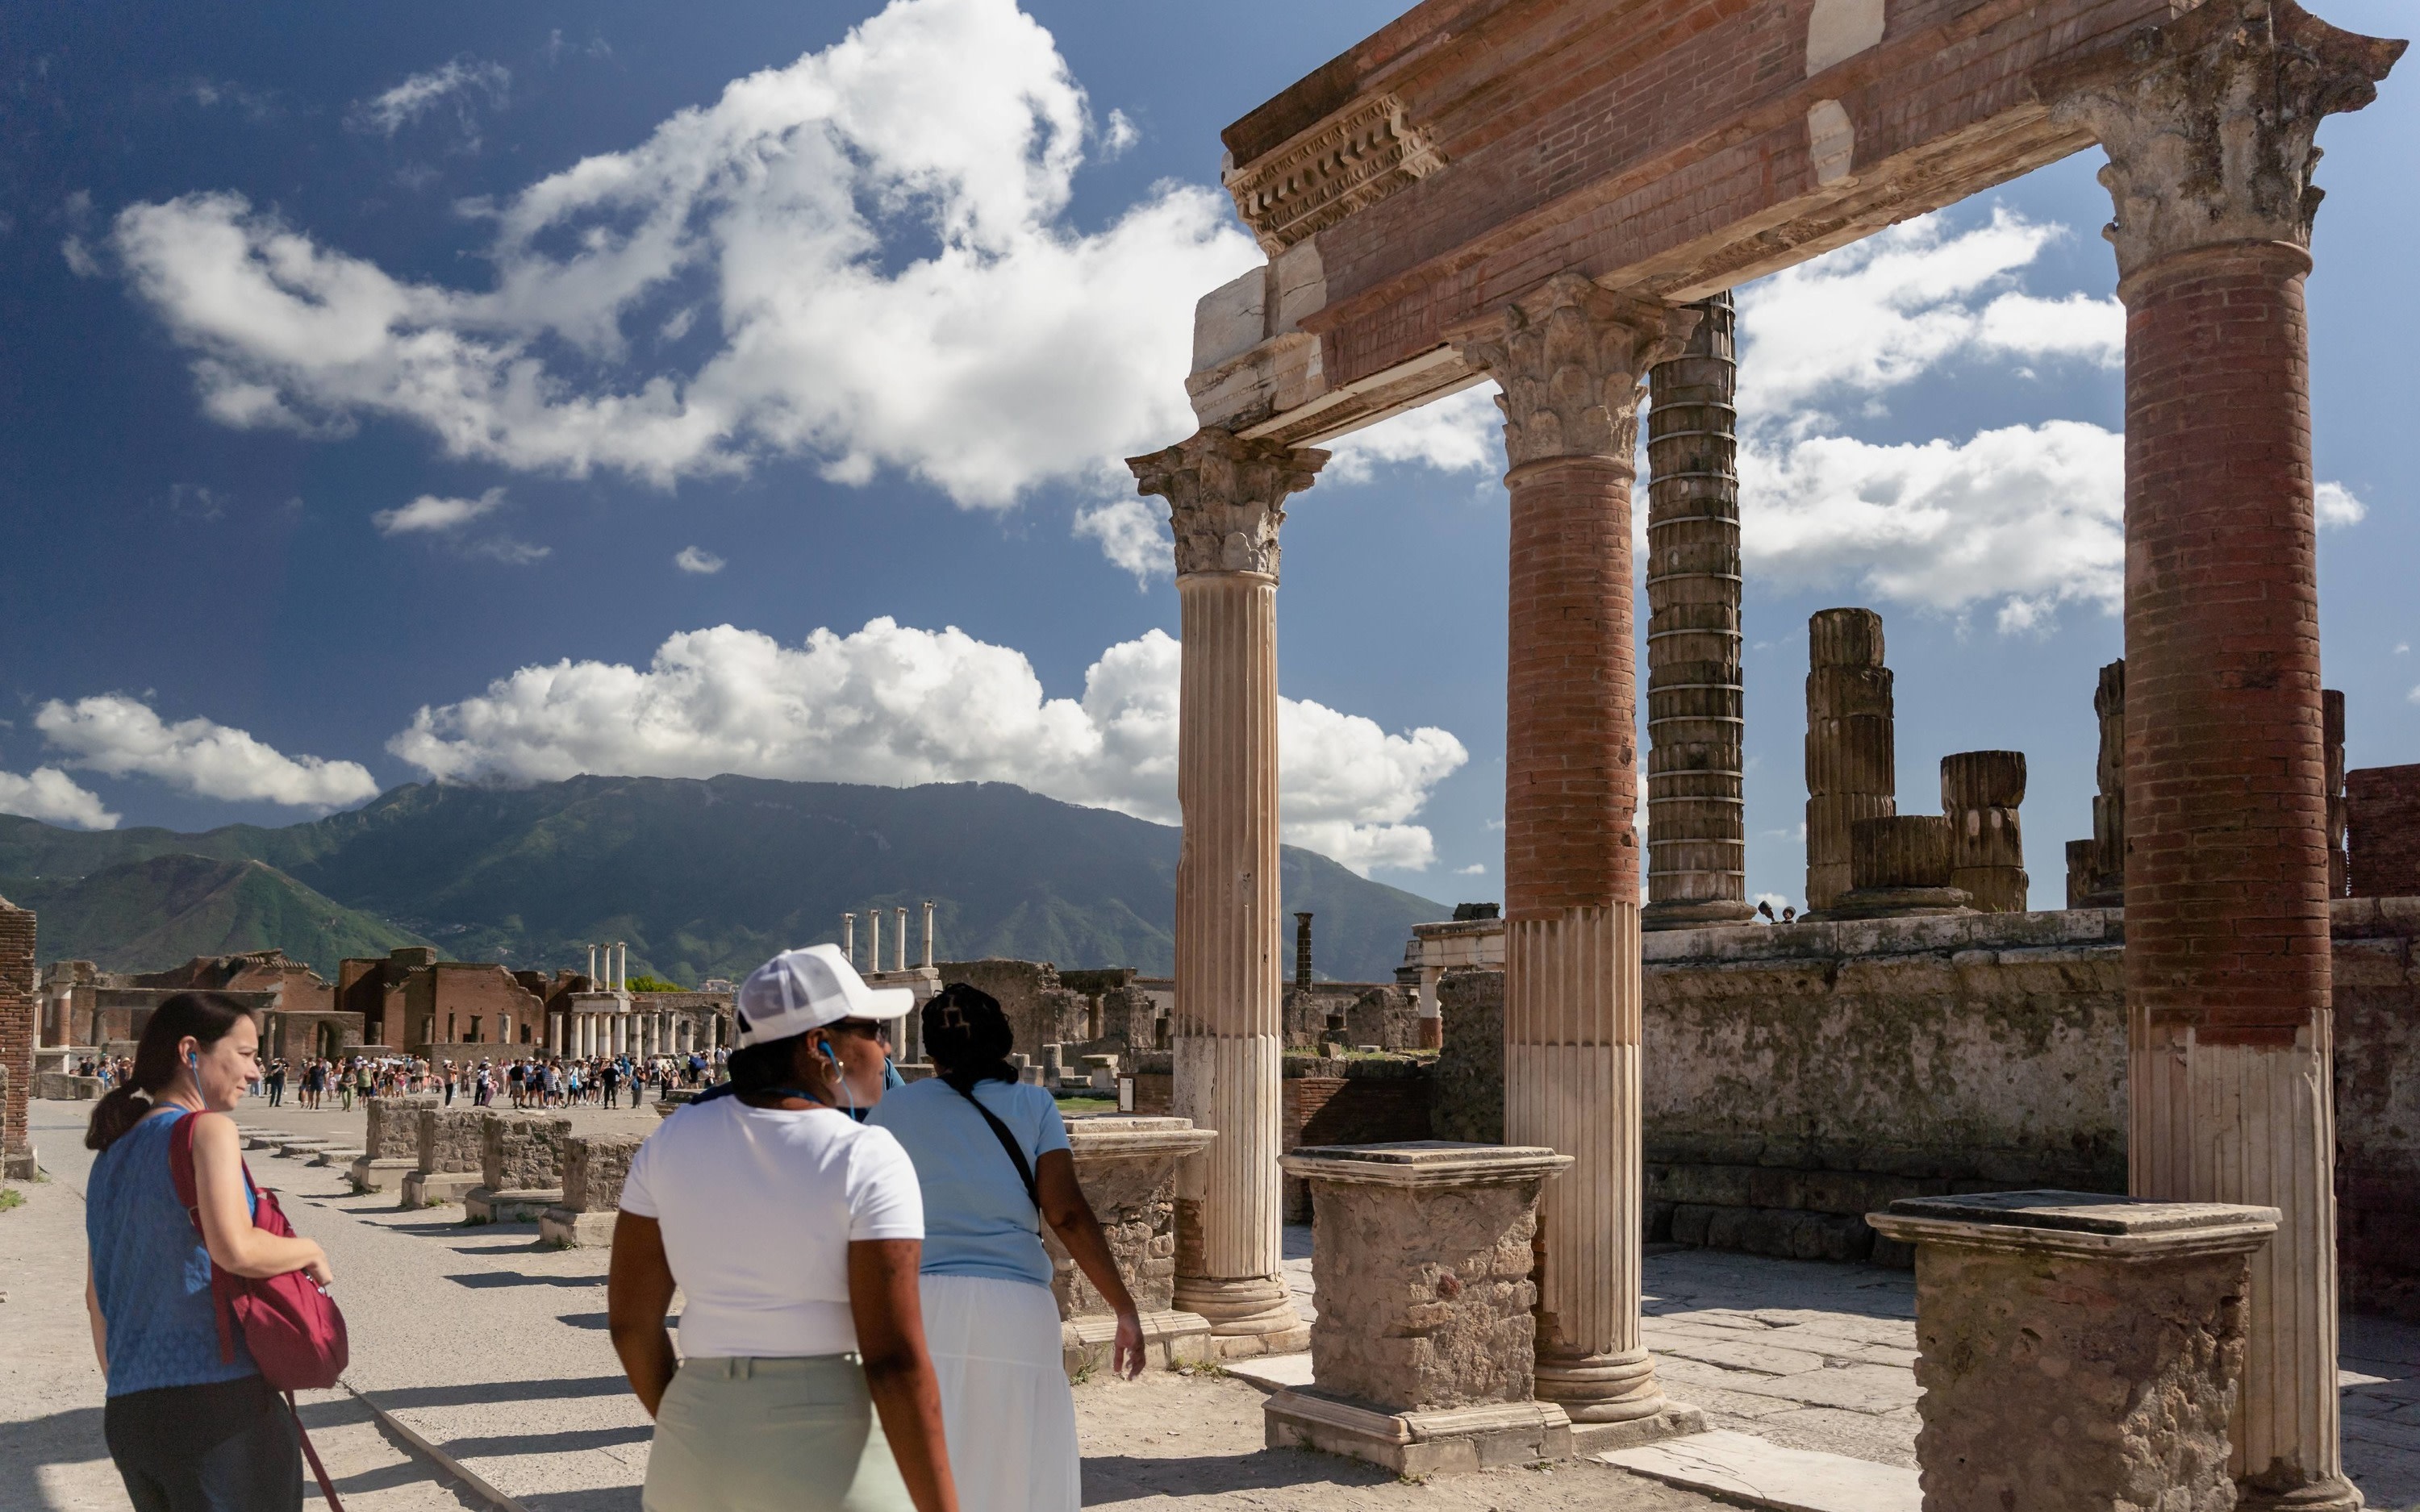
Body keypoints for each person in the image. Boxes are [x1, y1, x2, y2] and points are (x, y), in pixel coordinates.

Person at [607, 946, 956, 1512]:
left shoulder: (670, 1142)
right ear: (821, 1046)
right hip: (828, 1447)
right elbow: (893, 1359)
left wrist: (697, 1416)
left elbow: (630, 1322)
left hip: (695, 1444)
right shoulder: (865, 1155)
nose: (886, 1047)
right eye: (873, 1029)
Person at [867, 984, 1144, 1512]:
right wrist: (1123, 1306)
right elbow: (1065, 1212)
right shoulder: (1033, 1103)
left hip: (920, 1304)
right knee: (1022, 1460)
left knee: (923, 1460)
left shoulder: (891, 1110)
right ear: (1001, 1043)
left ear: (930, 1052)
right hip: (1016, 1307)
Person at [82, 992, 334, 1512]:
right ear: (191, 1051)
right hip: (218, 1406)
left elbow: (95, 1297)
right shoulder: (207, 1130)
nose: (256, 1071)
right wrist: (307, 1247)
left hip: (131, 1412)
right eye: (245, 1054)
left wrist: (138, 1385)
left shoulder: (111, 1153)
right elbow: (236, 1249)